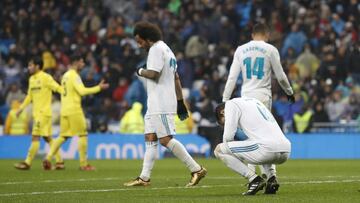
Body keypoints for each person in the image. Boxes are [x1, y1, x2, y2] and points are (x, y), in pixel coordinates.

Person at [124, 21, 206, 187]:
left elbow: (153, 74)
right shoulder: (168, 50)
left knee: (165, 140)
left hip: (160, 102)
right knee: (150, 137)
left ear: (148, 38)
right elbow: (176, 78)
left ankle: (196, 169)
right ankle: (144, 178)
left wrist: (140, 71)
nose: (139, 45)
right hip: (155, 102)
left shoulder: (155, 49)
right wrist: (180, 101)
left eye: (140, 41)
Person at [222, 23, 295, 179]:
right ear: (267, 35)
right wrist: (289, 92)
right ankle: (271, 176)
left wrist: (225, 100)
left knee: (252, 138)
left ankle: (253, 177)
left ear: (252, 35)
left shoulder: (241, 50)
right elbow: (281, 76)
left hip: (246, 97)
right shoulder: (270, 49)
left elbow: (232, 77)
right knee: (266, 136)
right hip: (263, 97)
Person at [42, 54, 109, 171]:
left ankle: (48, 157)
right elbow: (82, 91)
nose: (83, 64)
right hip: (74, 109)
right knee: (83, 135)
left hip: (64, 110)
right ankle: (84, 164)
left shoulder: (65, 76)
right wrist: (98, 88)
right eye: (81, 62)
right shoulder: (74, 75)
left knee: (63, 136)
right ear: (75, 62)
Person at [214, 98, 291, 195]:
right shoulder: (255, 101)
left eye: (223, 123)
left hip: (267, 149)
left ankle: (254, 179)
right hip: (286, 149)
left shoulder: (230, 104)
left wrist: (233, 155)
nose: (224, 125)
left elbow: (228, 137)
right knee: (259, 140)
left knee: (219, 150)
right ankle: (271, 178)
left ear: (222, 112)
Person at [14, 57, 64, 170]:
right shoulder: (31, 79)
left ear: (37, 66)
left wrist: (67, 93)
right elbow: (29, 96)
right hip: (37, 114)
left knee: (35, 137)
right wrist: (20, 108)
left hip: (44, 114)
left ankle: (27, 162)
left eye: (31, 65)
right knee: (48, 138)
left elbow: (57, 88)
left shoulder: (46, 77)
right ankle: (60, 162)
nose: (29, 67)